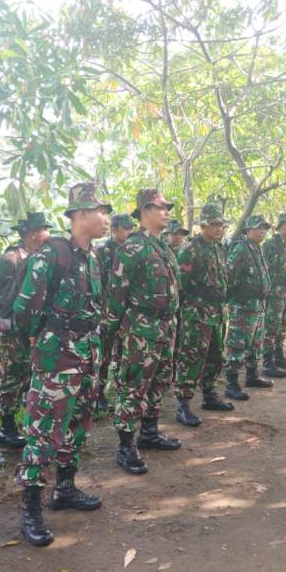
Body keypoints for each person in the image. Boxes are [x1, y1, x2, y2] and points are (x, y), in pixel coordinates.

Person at [12, 182, 111, 547]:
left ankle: (65, 488)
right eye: (102, 211)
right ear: (80, 215)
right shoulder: (51, 256)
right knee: (42, 433)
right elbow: (24, 312)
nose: (106, 218)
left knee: (79, 424)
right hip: (57, 360)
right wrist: (46, 345)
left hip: (87, 354)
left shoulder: (94, 257)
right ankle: (31, 510)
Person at [107, 188, 182, 475]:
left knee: (159, 381)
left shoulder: (163, 247)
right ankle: (126, 447)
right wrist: (112, 335)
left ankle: (149, 432)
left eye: (167, 208)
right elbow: (116, 296)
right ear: (146, 211)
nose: (167, 213)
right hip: (140, 330)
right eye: (162, 208)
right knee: (133, 386)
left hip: (165, 327)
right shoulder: (132, 248)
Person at [0, 212, 53, 448]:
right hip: (14, 331)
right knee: (12, 375)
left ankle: (28, 421)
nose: (49, 234)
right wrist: (2, 329)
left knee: (30, 374)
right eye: (45, 229)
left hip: (33, 328)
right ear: (33, 233)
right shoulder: (11, 259)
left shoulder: (41, 257)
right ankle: (6, 426)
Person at [173, 203, 234, 427]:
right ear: (203, 226)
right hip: (197, 314)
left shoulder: (218, 248)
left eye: (221, 225)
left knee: (216, 357)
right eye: (214, 225)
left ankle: (209, 395)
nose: (219, 229)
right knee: (191, 358)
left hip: (217, 313)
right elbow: (181, 284)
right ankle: (183, 404)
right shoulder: (190, 249)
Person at [224, 215, 273, 401]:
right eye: (259, 228)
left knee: (255, 344)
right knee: (238, 345)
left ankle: (252, 376)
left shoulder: (256, 248)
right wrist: (237, 298)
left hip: (257, 306)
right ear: (248, 230)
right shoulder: (240, 249)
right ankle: (231, 383)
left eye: (265, 228)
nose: (262, 231)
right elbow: (229, 276)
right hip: (243, 307)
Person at [94, 213, 134, 413]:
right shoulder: (102, 251)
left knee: (124, 352)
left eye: (130, 228)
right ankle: (99, 393)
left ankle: (121, 390)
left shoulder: (131, 251)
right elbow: (97, 282)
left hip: (126, 310)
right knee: (104, 354)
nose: (128, 232)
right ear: (114, 229)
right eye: (125, 228)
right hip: (105, 310)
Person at [262, 212, 286, 376]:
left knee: (283, 324)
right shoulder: (270, 245)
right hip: (274, 292)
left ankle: (279, 356)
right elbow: (263, 268)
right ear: (280, 227)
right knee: (271, 326)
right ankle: (267, 362)